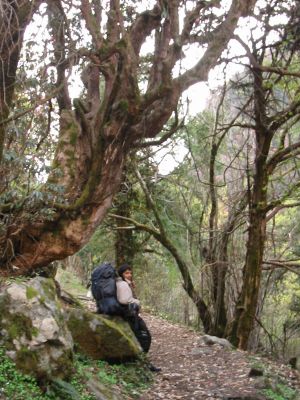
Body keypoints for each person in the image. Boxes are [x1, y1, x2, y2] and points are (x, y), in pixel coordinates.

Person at [116, 263, 161, 372]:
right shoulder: (122, 284)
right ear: (121, 274)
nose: (129, 275)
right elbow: (123, 300)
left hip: (131, 315)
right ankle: (142, 363)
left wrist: (130, 286)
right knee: (145, 337)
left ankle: (142, 361)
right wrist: (137, 301)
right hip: (129, 316)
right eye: (126, 273)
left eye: (130, 272)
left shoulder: (124, 283)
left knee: (143, 337)